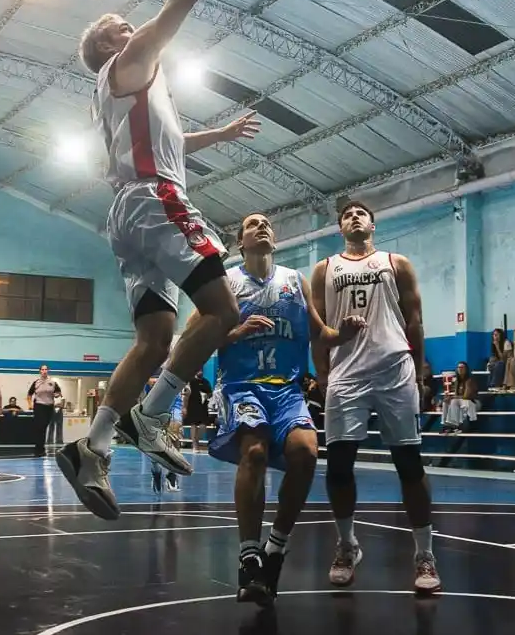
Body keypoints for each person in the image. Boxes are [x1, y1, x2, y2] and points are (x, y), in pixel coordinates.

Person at [58, 0, 254, 523]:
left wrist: (216, 137)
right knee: (224, 314)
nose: (129, 23)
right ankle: (154, 412)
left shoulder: (123, 93)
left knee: (152, 337)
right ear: (114, 43)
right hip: (154, 198)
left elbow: (163, 148)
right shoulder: (129, 60)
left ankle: (96, 444)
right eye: (120, 23)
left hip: (127, 210)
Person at [208, 212, 364, 605]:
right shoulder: (226, 282)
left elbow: (319, 333)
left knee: (306, 452)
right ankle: (248, 555)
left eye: (267, 223)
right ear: (240, 242)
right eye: (252, 224)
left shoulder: (294, 280)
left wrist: (341, 334)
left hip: (286, 390)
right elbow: (200, 336)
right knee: (255, 451)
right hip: (242, 387)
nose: (262, 226)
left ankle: (275, 548)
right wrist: (234, 332)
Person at [311, 201, 441, 594]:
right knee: (338, 466)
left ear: (372, 223)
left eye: (360, 213)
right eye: (346, 214)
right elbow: (316, 325)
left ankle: (425, 554)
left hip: (393, 370)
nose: (354, 216)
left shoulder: (395, 262)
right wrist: (321, 373)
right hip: (345, 374)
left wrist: (418, 372)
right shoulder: (324, 268)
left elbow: (415, 320)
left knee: (409, 463)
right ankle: (347, 545)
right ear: (339, 228)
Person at [27, 365, 63, 457]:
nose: (44, 371)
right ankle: (38, 449)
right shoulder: (36, 382)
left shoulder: (52, 382)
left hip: (49, 406)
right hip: (39, 406)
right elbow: (29, 394)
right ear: (40, 371)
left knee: (44, 427)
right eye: (42, 369)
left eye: (45, 369)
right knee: (40, 427)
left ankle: (41, 448)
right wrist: (30, 404)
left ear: (48, 371)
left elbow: (58, 393)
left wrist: (57, 395)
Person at [440, 361, 478, 433]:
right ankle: (446, 425)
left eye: (462, 367)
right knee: (446, 402)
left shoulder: (470, 380)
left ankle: (455, 425)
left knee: (454, 401)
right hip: (461, 401)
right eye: (458, 367)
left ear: (466, 369)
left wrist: (453, 398)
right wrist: (449, 398)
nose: (460, 369)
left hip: (473, 402)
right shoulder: (457, 381)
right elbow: (457, 395)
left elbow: (466, 396)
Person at [183, 371, 213, 452]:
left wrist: (207, 395)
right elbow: (186, 395)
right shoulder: (191, 381)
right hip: (192, 407)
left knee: (203, 426)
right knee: (194, 425)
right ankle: (195, 446)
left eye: (201, 370)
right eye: (198, 370)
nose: (200, 372)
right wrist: (184, 407)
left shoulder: (206, 382)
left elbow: (211, 393)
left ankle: (196, 441)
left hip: (203, 407)